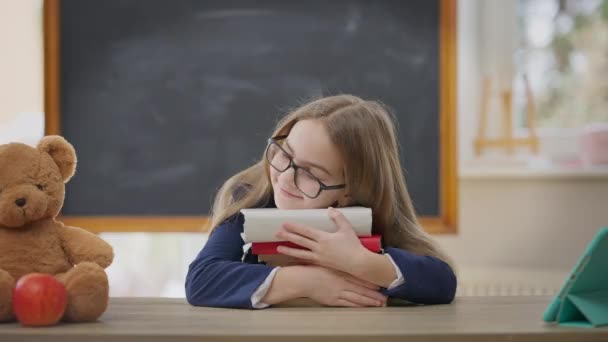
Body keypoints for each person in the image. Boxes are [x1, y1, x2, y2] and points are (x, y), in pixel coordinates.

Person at [185, 94, 456, 309]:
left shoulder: (364, 220)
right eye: (285, 153)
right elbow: (202, 280)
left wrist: (360, 262)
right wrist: (307, 282)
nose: (285, 177)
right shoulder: (252, 196)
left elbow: (442, 282)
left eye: (311, 173)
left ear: (350, 192)